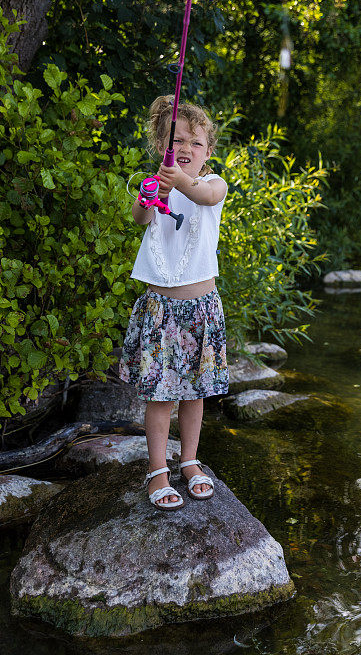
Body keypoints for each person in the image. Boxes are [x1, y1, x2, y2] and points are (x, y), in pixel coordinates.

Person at [119, 97, 229, 510]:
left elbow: (203, 196)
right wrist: (150, 193)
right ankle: (157, 470)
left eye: (195, 143)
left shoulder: (212, 184)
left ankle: (189, 460)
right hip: (160, 309)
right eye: (175, 140)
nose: (185, 148)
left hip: (201, 308)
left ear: (208, 152)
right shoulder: (157, 183)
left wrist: (178, 181)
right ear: (161, 146)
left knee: (194, 394)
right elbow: (140, 219)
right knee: (161, 396)